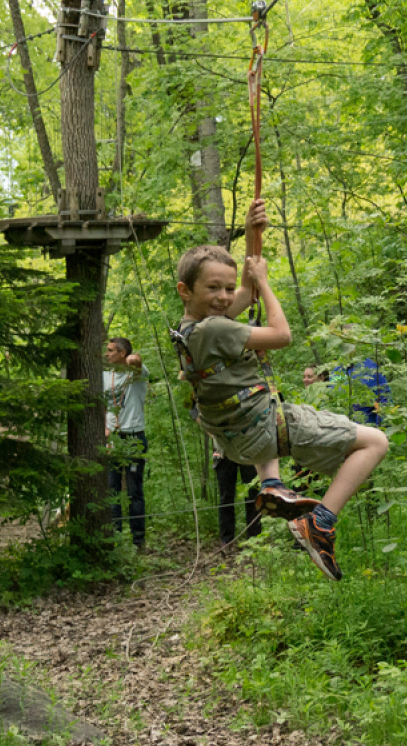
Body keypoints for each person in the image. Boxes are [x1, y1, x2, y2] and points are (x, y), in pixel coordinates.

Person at [171, 200, 388, 581]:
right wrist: (267, 283)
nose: (224, 297)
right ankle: (320, 524)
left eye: (224, 287)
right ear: (185, 290)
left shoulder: (190, 331)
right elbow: (281, 335)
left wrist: (251, 231)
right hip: (262, 430)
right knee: (375, 442)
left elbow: (244, 292)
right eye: (213, 289)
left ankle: (271, 482)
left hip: (237, 440)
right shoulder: (215, 330)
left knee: (256, 395)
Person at [104, 337, 149, 550]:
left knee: (133, 491)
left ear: (122, 353)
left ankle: (138, 540)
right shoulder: (105, 376)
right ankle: (116, 539)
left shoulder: (137, 376)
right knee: (112, 490)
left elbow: (136, 361)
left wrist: (133, 358)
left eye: (111, 350)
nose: (107, 354)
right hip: (113, 438)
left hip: (133, 438)